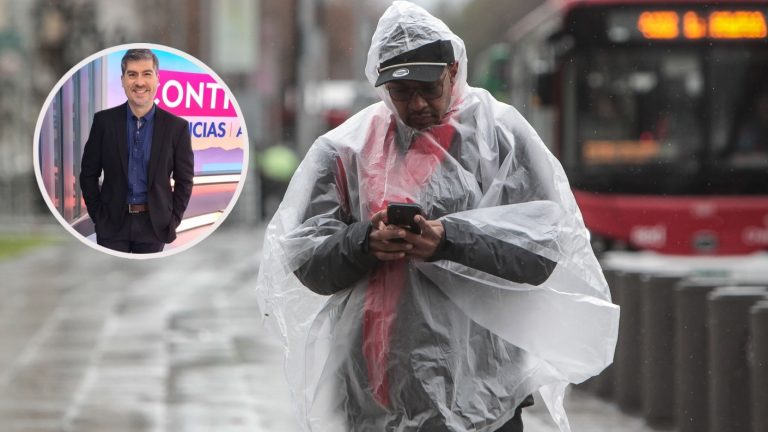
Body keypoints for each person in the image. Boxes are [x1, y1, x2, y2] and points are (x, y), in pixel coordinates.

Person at [256, 3, 618, 432]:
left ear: (453, 70)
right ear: (382, 86)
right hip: (375, 395)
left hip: (485, 394)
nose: (418, 103)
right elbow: (309, 264)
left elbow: (541, 252)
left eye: (429, 87)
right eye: (401, 92)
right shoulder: (344, 151)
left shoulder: (501, 137)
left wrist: (448, 241)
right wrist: (365, 243)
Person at [80, 48, 194, 253]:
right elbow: (88, 174)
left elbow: (184, 180)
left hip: (154, 225)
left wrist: (172, 219)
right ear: (122, 80)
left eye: (146, 74)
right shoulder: (104, 122)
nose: (139, 82)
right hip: (112, 224)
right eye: (132, 74)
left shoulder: (176, 128)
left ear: (158, 79)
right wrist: (99, 215)